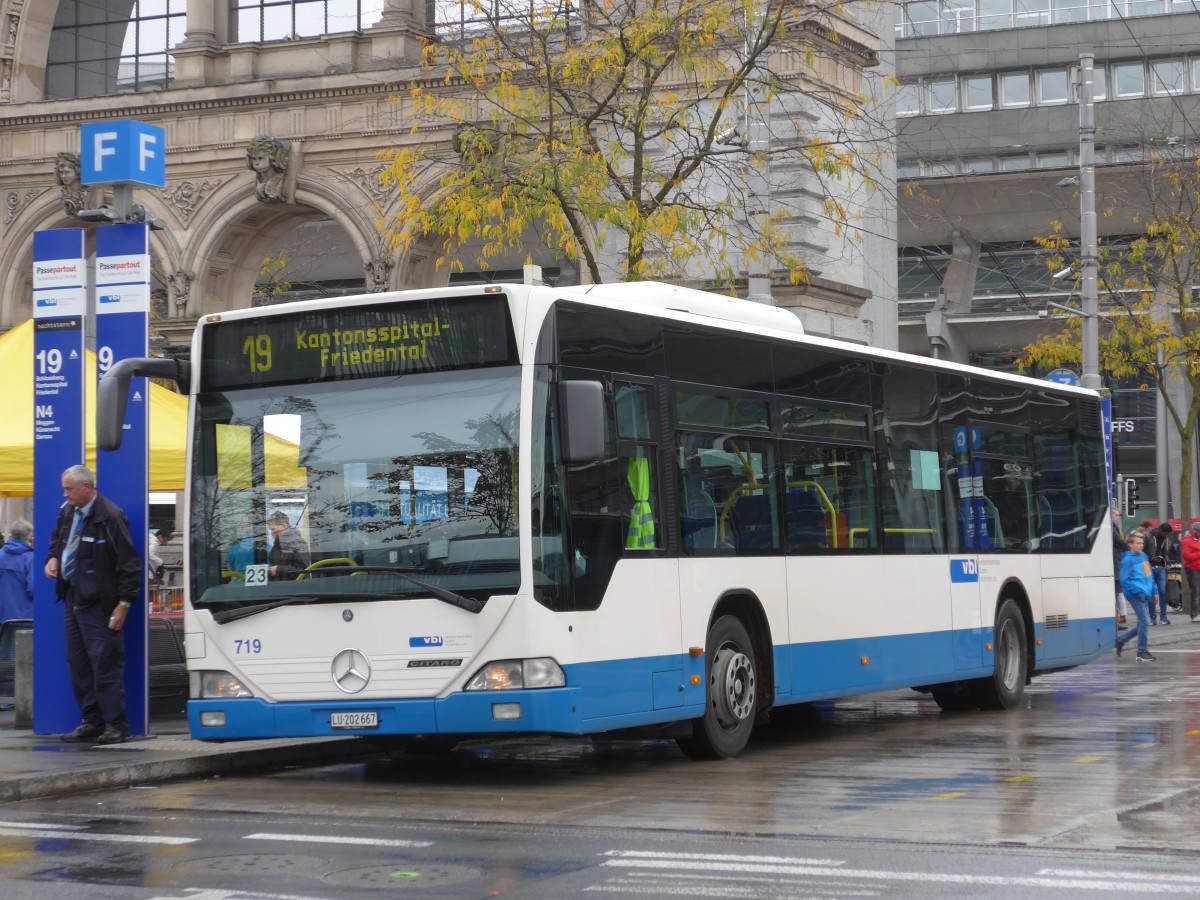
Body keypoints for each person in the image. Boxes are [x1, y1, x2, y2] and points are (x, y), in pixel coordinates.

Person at [43, 465, 141, 745]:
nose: (65, 493)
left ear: (87, 487)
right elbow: (57, 541)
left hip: (100, 604)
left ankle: (116, 725)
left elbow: (129, 564)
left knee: (105, 664)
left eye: (69, 488)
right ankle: (91, 721)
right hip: (73, 598)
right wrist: (52, 558)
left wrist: (123, 603)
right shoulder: (67, 512)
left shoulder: (109, 516)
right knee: (78, 662)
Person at [1115, 531, 1158, 662]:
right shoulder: (1128, 560)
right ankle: (1141, 652)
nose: (1141, 545)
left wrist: (1154, 591)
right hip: (1136, 594)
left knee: (1142, 623)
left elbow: (1149, 575)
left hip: (1145, 592)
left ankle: (1121, 641)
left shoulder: (1144, 556)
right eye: (1138, 543)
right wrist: (1137, 591)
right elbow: (1124, 580)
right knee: (1145, 622)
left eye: (1142, 543)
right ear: (1130, 545)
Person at [0, 518, 34, 622]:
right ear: (28, 536)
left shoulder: (1, 554)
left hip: (2, 615)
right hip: (24, 617)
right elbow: (33, 589)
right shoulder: (30, 558)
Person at [267, 511, 309, 580]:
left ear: (284, 526)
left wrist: (278, 570)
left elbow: (303, 570)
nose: (272, 533)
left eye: (273, 529)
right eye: (271, 530)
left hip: (293, 588)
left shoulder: (298, 543)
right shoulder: (277, 545)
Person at [1146, 522, 1174, 626]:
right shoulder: (1147, 536)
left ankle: (1163, 618)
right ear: (1160, 531)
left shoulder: (1164, 539)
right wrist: (1150, 558)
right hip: (1149, 568)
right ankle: (1153, 618)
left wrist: (1167, 563)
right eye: (1165, 534)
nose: (1166, 536)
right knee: (1151, 594)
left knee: (1162, 593)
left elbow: (1164, 552)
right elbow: (1142, 551)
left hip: (1161, 568)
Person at [1110, 505, 1128, 623]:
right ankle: (1121, 615)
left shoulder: (1114, 528)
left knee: (1117, 592)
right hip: (1115, 564)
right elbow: (1121, 544)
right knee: (1118, 591)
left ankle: (1121, 615)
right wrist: (1129, 545)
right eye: (1115, 515)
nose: (1118, 518)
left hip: (1115, 563)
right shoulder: (1112, 529)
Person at [1181, 520, 1200, 624]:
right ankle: (1194, 614)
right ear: (1195, 530)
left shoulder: (1198, 539)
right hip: (1193, 569)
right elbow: (1187, 556)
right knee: (1195, 592)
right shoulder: (1187, 541)